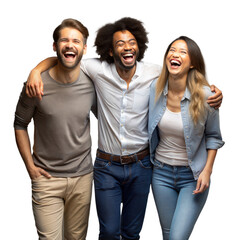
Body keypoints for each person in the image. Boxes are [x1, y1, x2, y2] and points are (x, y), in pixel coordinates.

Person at [25, 18, 223, 240]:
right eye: (120, 44)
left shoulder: (155, 74)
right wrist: (35, 70)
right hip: (106, 166)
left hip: (141, 166)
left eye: (132, 42)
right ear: (110, 51)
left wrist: (212, 91)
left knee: (131, 232)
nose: (127, 47)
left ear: (139, 46)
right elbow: (67, 57)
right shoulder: (97, 69)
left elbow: (185, 80)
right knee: (109, 232)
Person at [14, 18, 97, 240]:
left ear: (84, 48)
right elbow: (20, 124)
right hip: (46, 179)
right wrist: (30, 167)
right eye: (64, 40)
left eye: (76, 41)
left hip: (82, 178)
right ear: (55, 46)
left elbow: (112, 116)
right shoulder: (35, 84)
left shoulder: (92, 84)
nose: (70, 45)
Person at [148, 36, 224, 240]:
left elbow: (214, 137)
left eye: (183, 52)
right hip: (161, 174)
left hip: (192, 177)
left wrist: (207, 171)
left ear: (192, 64)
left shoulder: (207, 96)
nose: (175, 54)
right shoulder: (153, 89)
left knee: (177, 237)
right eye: (172, 50)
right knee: (167, 234)